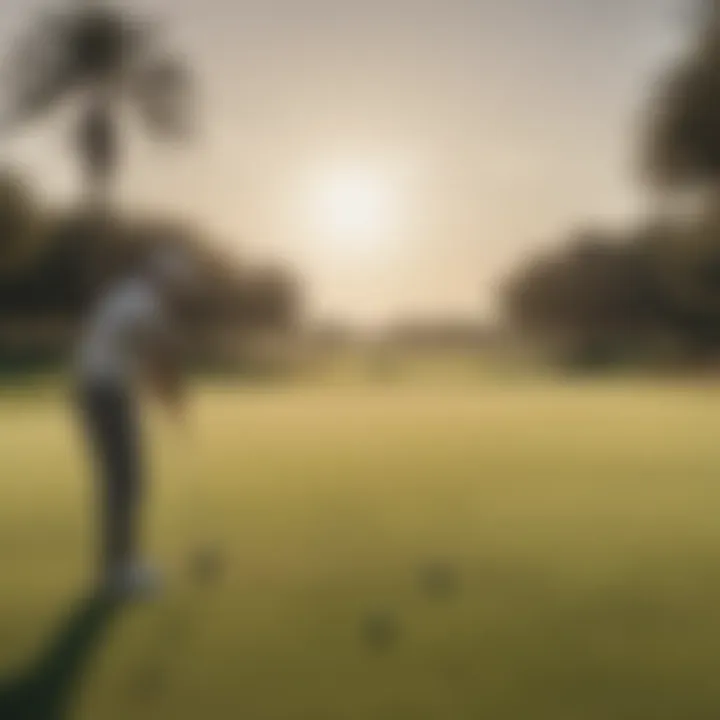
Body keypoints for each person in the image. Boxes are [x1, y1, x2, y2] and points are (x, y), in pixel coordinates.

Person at [75, 246, 195, 599]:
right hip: (105, 394)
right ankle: (119, 571)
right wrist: (173, 399)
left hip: (102, 392)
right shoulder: (144, 302)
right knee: (126, 479)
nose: (177, 294)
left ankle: (120, 564)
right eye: (176, 286)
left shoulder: (127, 294)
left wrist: (166, 393)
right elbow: (160, 354)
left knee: (123, 478)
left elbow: (143, 356)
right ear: (164, 280)